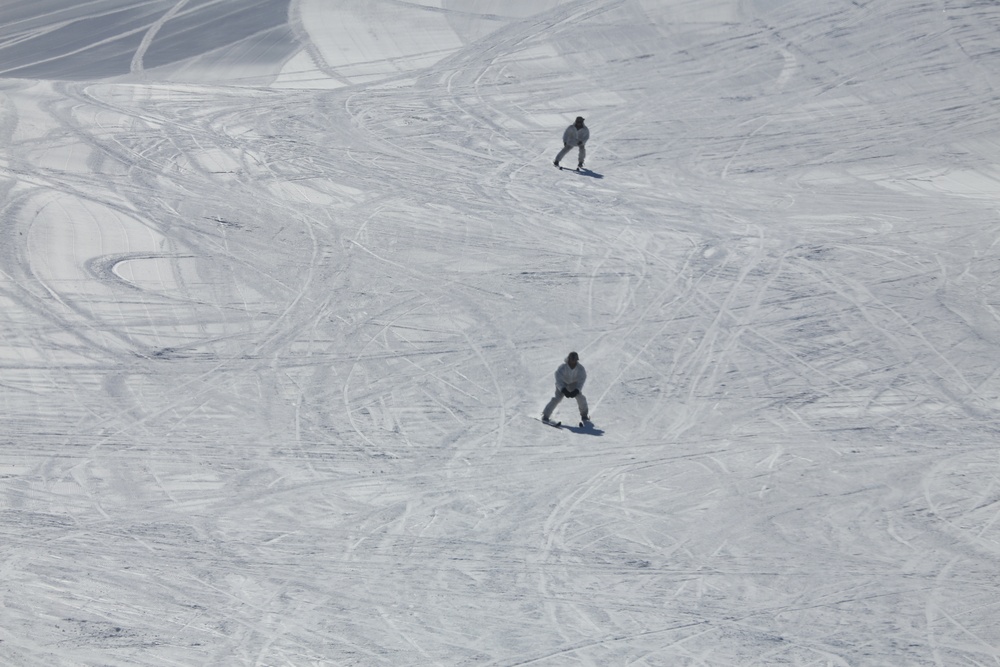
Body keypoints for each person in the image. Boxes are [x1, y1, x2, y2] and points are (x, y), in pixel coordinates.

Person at [542, 351, 589, 423]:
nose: (573, 361)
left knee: (580, 397)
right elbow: (558, 379)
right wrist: (563, 389)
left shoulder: (580, 369)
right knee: (557, 398)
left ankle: (584, 415)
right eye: (571, 359)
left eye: (575, 360)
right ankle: (545, 415)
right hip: (563, 384)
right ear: (569, 359)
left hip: (574, 384)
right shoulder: (562, 368)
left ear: (577, 360)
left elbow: (581, 380)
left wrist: (577, 390)